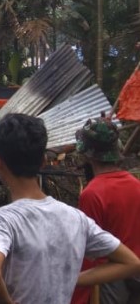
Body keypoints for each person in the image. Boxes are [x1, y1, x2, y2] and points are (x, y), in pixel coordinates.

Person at [0, 114, 140, 304]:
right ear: (43, 161)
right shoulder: (76, 218)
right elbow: (132, 262)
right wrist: (70, 279)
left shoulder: (2, 220)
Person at [71, 119, 140, 304]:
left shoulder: (92, 193)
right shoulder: (135, 184)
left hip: (111, 275)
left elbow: (90, 248)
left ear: (88, 155)